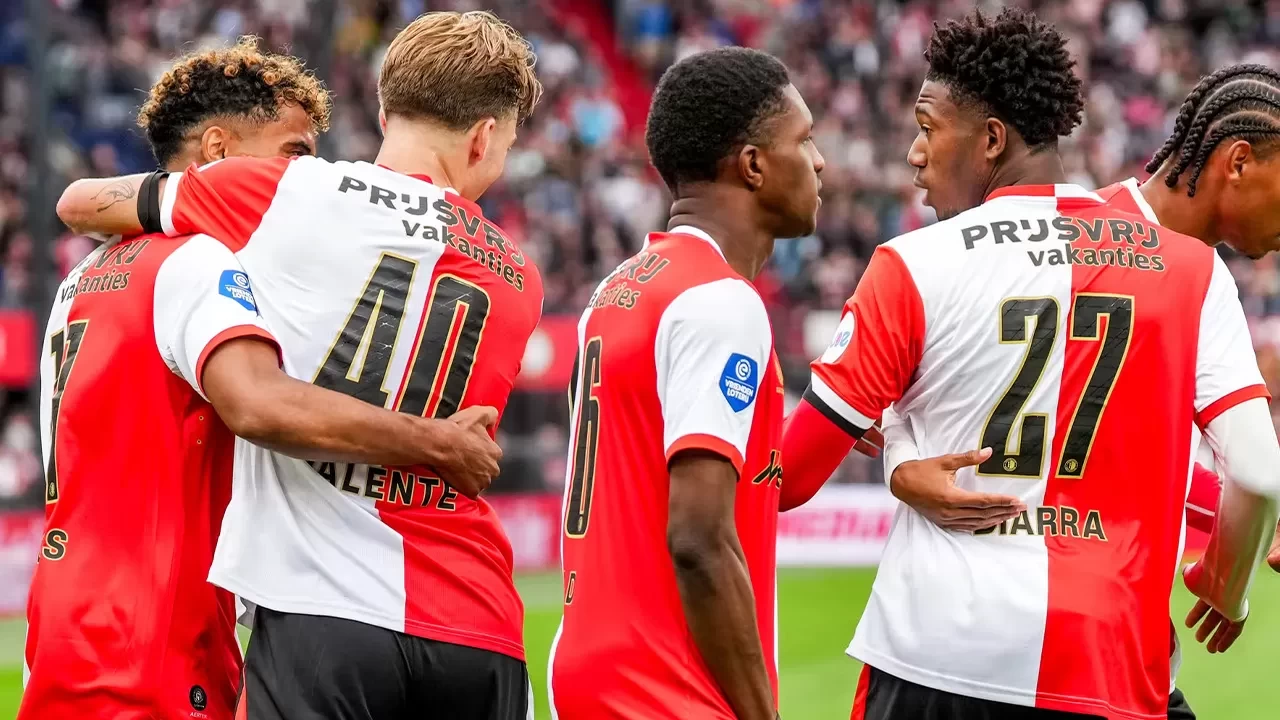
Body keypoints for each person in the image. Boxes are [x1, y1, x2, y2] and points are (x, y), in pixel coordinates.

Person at [777, 9, 1280, 720]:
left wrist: (896, 453)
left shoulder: (912, 264)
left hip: (935, 659)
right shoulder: (1190, 271)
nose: (914, 154)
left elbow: (787, 476)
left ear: (990, 140)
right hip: (1106, 664)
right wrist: (1225, 587)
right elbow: (1257, 471)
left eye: (927, 128)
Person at [54, 11, 542, 720]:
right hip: (480, 623)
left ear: (384, 111)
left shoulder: (285, 192)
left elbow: (81, 203)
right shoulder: (520, 274)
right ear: (484, 137)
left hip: (323, 610)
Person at [547, 46, 822, 720]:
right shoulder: (719, 301)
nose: (819, 162)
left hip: (589, 667)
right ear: (753, 165)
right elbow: (699, 539)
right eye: (804, 140)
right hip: (665, 684)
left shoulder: (620, 288)